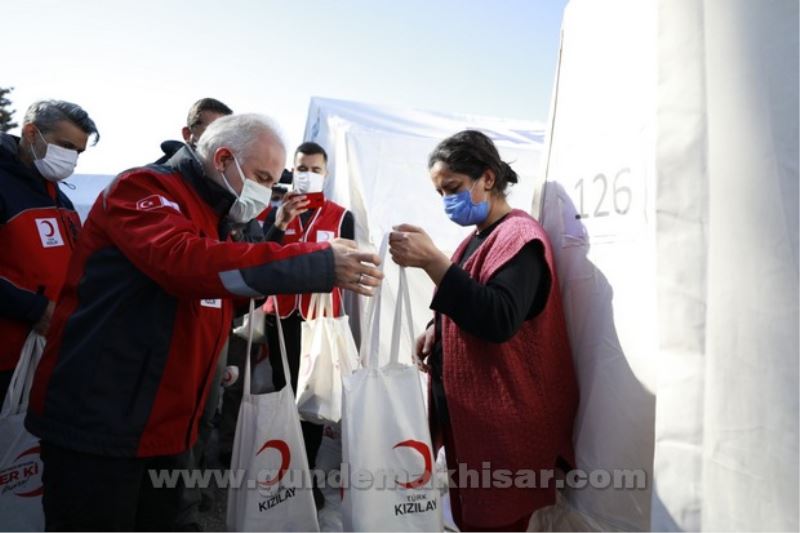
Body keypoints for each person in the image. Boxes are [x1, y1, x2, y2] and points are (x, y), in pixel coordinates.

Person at [25, 113, 382, 531]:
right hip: (104, 425)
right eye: (263, 178)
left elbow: (217, 299)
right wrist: (312, 262)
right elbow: (184, 263)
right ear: (224, 158)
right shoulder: (143, 188)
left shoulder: (219, 218)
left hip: (173, 429)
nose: (267, 193)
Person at [388, 130, 579, 531]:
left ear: (487, 179)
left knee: (496, 522)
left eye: (453, 188)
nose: (446, 202)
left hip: (507, 431)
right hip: (477, 422)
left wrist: (432, 263)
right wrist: (433, 329)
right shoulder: (476, 240)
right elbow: (468, 296)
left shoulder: (520, 239)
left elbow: (499, 318)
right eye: (440, 193)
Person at [261, 141, 354, 509]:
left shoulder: (340, 215)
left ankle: (308, 477)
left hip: (319, 321)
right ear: (292, 171)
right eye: (302, 168)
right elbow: (261, 255)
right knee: (284, 395)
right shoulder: (275, 211)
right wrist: (279, 223)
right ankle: (284, 471)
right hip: (280, 316)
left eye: (315, 169)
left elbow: (348, 263)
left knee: (312, 402)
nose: (308, 175)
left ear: (326, 174)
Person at [0, 100, 99, 401]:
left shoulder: (60, 197)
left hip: (44, 353)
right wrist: (36, 309)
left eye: (78, 152)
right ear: (31, 133)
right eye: (65, 146)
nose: (71, 159)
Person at [154, 97, 233, 164]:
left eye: (225, 133)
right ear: (187, 134)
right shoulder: (156, 177)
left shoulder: (233, 175)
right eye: (212, 132)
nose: (220, 140)